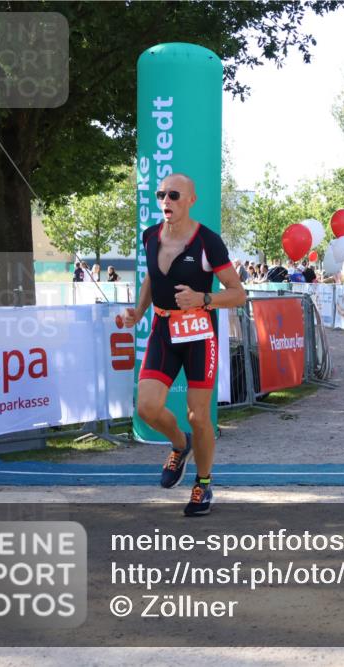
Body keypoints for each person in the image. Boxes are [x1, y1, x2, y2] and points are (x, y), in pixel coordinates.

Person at [121, 173, 245, 516]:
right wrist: (138, 310)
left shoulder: (207, 241)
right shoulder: (150, 237)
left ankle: (203, 484)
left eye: (174, 195)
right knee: (146, 407)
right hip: (163, 328)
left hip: (198, 335)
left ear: (191, 200)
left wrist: (203, 298)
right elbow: (150, 277)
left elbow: (238, 294)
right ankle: (179, 444)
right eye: (161, 194)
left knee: (199, 415)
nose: (166, 201)